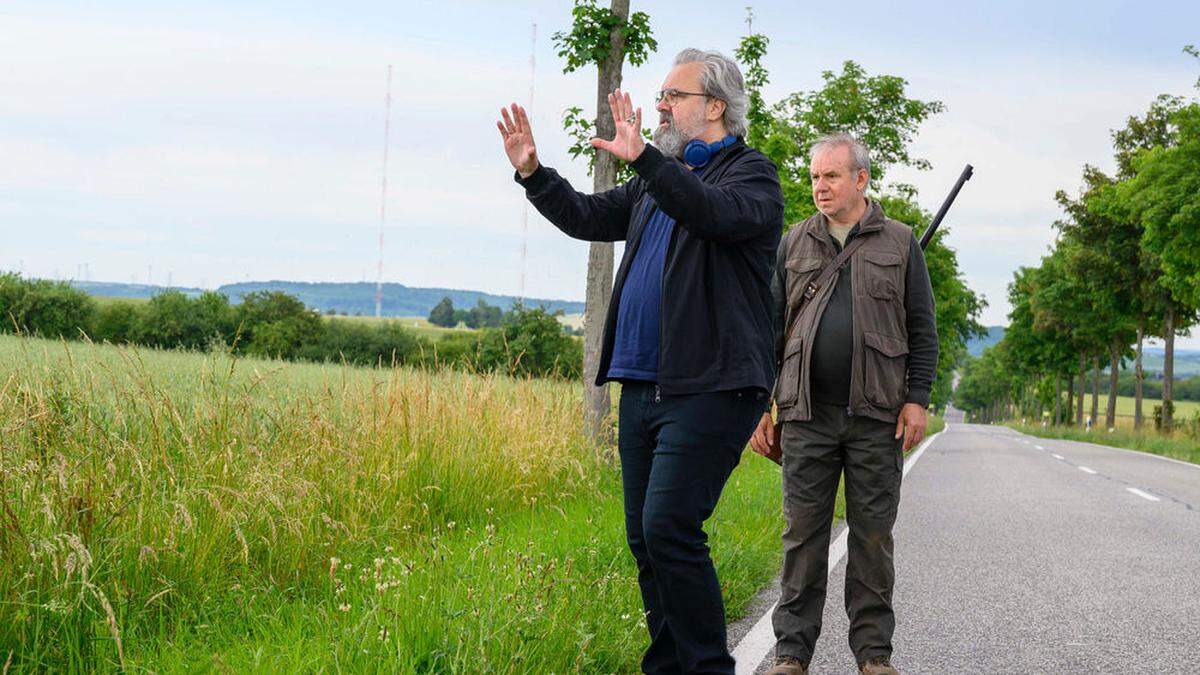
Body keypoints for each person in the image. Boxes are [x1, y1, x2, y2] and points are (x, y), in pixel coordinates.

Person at [497, 48, 783, 674]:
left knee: (670, 527)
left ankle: (707, 668)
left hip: (712, 386)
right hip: (644, 385)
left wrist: (649, 162)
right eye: (661, 95)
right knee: (646, 540)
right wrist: (534, 173)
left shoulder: (751, 177)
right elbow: (587, 216)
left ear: (714, 107)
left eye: (673, 96)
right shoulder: (659, 182)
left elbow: (710, 213)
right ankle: (668, 668)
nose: (659, 105)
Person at [750, 133, 938, 675]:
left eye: (831, 176)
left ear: (861, 179)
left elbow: (923, 331)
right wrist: (762, 405)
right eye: (814, 177)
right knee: (802, 537)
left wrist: (916, 400)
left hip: (877, 416)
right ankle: (791, 653)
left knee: (873, 537)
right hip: (806, 414)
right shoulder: (794, 243)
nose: (820, 186)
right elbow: (769, 330)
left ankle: (873, 654)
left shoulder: (901, 244)